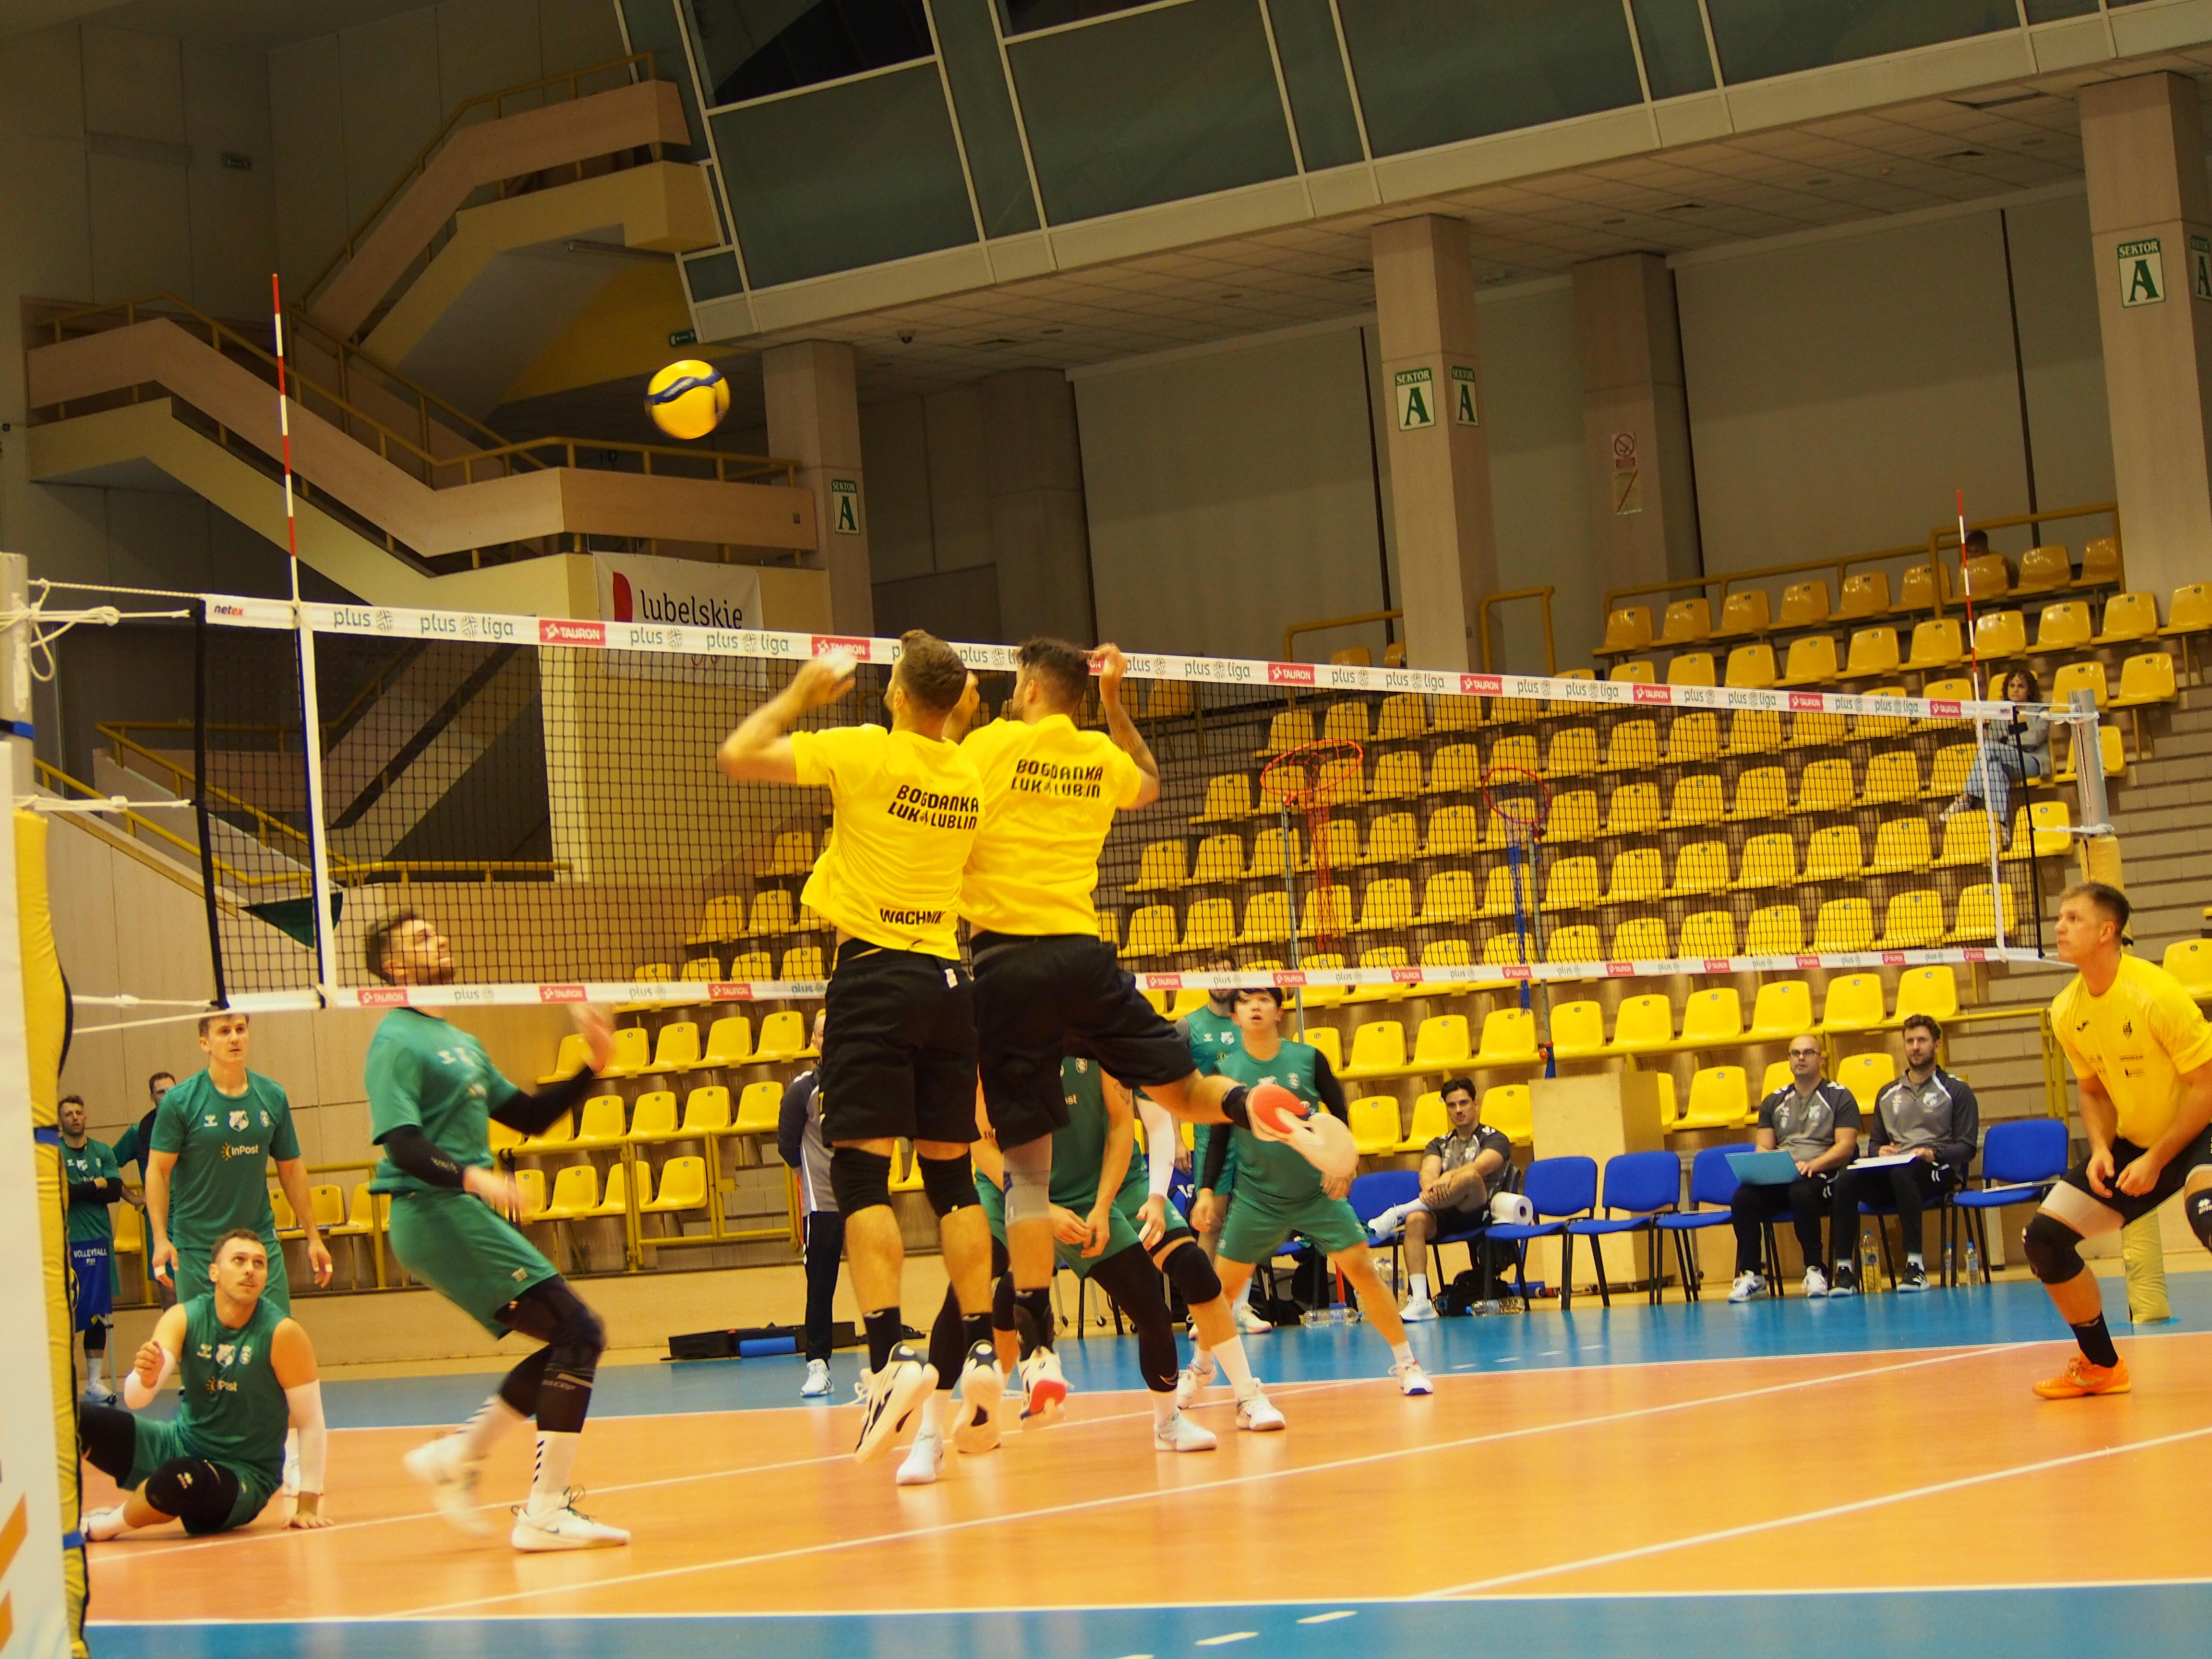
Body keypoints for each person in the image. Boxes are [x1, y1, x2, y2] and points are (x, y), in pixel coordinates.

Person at [945, 638, 1353, 1415]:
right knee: (1185, 1090)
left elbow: (933, 794)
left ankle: (1036, 1348)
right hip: (1084, 957)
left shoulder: (989, 746)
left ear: (1031, 689)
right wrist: (1115, 701)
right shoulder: (1098, 755)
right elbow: (1150, 782)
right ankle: (1252, 1103)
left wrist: (957, 711)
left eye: (1015, 683)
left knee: (1025, 1172)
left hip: (1007, 964)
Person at [718, 634, 1002, 1467]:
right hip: (950, 982)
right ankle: (981, 1347)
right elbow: (954, 711)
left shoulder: (864, 750)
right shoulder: (966, 772)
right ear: (954, 703)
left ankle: (888, 1359)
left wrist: (802, 695)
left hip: (876, 978)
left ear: (894, 694)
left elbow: (740, 755)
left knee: (861, 1177)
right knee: (953, 1178)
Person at [365, 912, 630, 1550]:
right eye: (421, 939)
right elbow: (401, 1144)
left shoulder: (462, 1040)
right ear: (393, 968)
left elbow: (530, 1116)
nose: (440, 940)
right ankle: (540, 1509)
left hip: (460, 1211)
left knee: (574, 1337)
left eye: (437, 932)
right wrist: (476, 1180)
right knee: (579, 1331)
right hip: (433, 1210)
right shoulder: (394, 1038)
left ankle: (460, 1457)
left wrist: (593, 1065)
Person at [1189, 989, 1432, 1398]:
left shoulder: (1308, 1058)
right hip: (1257, 1200)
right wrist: (1207, 1191)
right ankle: (1200, 1368)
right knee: (1221, 1292)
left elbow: (1340, 1116)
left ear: (1279, 1012)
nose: (1255, 1007)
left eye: (1264, 999)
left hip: (1317, 1195)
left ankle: (1407, 1364)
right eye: (1245, 1001)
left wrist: (1343, 1166)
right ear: (1234, 1017)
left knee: (1364, 1273)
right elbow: (1218, 1138)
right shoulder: (1225, 1071)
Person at [2021, 883, 2212, 1399]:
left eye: (2073, 919)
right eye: (2060, 918)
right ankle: (2102, 1366)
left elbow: (2207, 1087)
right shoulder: (2066, 1009)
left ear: (2107, 932)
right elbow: (2093, 1092)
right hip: (2138, 1141)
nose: (2059, 927)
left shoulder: (2156, 993)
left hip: (2204, 1127)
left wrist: (2157, 1159)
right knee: (2044, 1239)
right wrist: (2102, 1148)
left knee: (2210, 1217)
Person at [78, 1228, 330, 1539]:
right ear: (214, 1272)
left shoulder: (283, 1334)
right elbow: (136, 1400)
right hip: (179, 1444)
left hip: (242, 1474)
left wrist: (307, 1506)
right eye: (239, 1260)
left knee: (179, 1478)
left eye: (259, 1263)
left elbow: (310, 1422)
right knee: (73, 1420)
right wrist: (145, 1378)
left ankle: (99, 1527)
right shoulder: (185, 1317)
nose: (250, 1269)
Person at [145, 1015, 330, 1314]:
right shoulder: (180, 1102)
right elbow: (158, 1171)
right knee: (203, 1338)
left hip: (258, 1242)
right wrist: (160, 1238)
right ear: (205, 1043)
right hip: (198, 1248)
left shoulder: (272, 1095)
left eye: (240, 1030)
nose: (235, 1038)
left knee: (277, 1334)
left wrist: (313, 1237)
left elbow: (291, 1169)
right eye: (224, 1032)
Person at [1833, 1015, 1978, 1293]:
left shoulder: (1956, 1090)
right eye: (1910, 1041)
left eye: (1922, 1040)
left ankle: (1915, 1267)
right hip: (1896, 1170)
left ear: (1937, 1045)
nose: (1915, 1047)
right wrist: (1880, 1151)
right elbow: (1874, 1144)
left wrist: (1933, 1153)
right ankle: (1845, 1272)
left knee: (1903, 1173)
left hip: (1936, 1171)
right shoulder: (1887, 1093)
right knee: (1846, 1179)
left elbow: (1968, 1147)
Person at [1364, 1076, 1515, 1320]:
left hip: (1477, 1209)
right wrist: (1433, 1185)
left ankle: (1397, 1213)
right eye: (1452, 1105)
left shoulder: (1496, 1138)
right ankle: (1421, 1301)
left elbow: (1480, 1167)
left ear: (1475, 1104)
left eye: (1464, 1103)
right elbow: (1427, 1175)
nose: (1458, 1110)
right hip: (1442, 1211)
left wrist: (1450, 1176)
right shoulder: (1439, 1143)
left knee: (1469, 1177)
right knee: (1415, 1220)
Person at [1727, 1035, 1862, 1301]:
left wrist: (1813, 1164)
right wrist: (1767, 1166)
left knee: (1801, 1192)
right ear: (1789, 1059)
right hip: (1783, 1175)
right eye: (1795, 1053)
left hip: (1823, 1174)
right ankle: (1753, 1274)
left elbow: (1846, 1146)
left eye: (1808, 1053)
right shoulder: (1774, 1100)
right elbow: (1763, 1146)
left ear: (1821, 1060)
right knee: (1743, 1197)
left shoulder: (1839, 1096)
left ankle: (1815, 1270)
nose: (1801, 1058)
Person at [775, 1010, 840, 1398]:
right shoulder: (802, 1091)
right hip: (822, 1205)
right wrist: (816, 1178)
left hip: (862, 1198)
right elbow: (787, 1147)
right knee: (820, 1287)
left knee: (878, 1275)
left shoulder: (866, 1083)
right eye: (822, 1033)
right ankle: (818, 1365)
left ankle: (887, 1362)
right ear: (814, 1041)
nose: (829, 1038)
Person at [60, 1095, 123, 1404]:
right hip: (67, 1243)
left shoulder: (103, 1151)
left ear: (85, 1117)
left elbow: (114, 1192)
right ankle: (65, 1382)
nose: (75, 1117)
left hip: (99, 1242)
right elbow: (61, 1193)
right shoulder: (54, 1152)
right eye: (68, 1114)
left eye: (79, 1112)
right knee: (67, 1312)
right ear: (60, 1121)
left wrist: (83, 1190)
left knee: (99, 1310)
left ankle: (95, 1381)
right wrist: (94, 1185)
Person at [1941, 667, 2048, 842]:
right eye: (2012, 686)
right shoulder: (2000, 713)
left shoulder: (2039, 710)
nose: (2015, 690)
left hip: (2032, 762)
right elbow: (1993, 740)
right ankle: (2002, 828)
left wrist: (2006, 741)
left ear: (2029, 690)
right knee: (1994, 772)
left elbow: (2035, 738)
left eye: (2021, 686)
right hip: (2007, 763)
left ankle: (1966, 798)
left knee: (1990, 749)